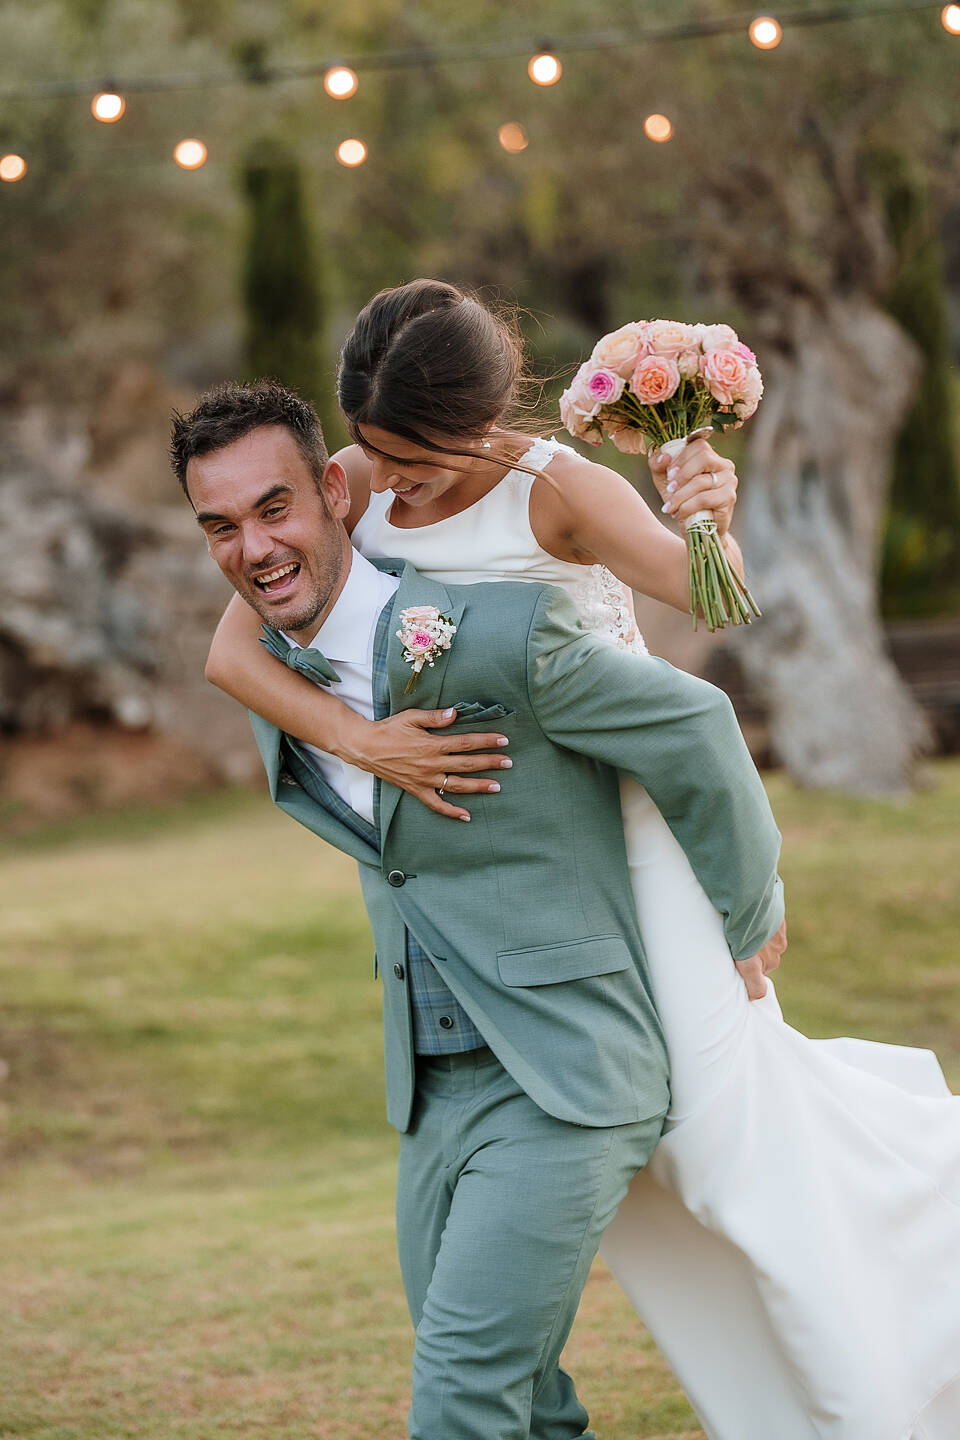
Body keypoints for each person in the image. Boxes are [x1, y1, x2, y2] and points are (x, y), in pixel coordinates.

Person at [203, 281, 960, 1440]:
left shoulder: (556, 490)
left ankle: (875, 1306)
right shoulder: (352, 480)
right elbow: (235, 645)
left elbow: (713, 609)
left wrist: (703, 511)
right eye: (373, 453)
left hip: (622, 818)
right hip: (501, 873)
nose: (388, 485)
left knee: (721, 1141)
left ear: (478, 425)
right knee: (599, 1251)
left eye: (419, 462)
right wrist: (365, 743)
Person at [172, 378, 787, 1440]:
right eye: (219, 527)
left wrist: (750, 915)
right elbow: (231, 658)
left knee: (461, 1402)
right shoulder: (286, 675)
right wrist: (355, 737)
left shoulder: (498, 636)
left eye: (274, 509)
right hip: (432, 1088)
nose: (253, 547)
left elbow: (696, 724)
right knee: (531, 1408)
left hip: (564, 1079)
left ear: (336, 490)